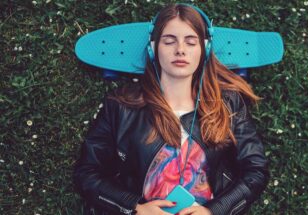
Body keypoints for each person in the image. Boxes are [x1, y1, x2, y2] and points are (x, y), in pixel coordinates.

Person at [73, 3, 269, 215]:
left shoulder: (228, 104)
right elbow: (87, 173)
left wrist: (214, 211)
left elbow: (255, 171)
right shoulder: (120, 106)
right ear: (153, 49)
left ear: (205, 50)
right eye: (169, 41)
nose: (180, 50)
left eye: (191, 42)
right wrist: (135, 208)